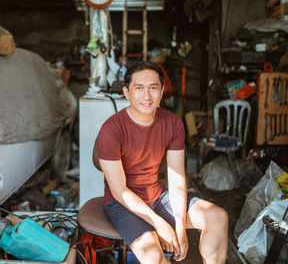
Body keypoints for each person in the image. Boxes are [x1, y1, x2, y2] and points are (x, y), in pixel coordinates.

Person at [96, 61, 228, 263]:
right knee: (153, 257)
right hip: (122, 204)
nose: (147, 96)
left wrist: (180, 228)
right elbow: (119, 191)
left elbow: (176, 179)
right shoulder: (111, 130)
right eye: (139, 88)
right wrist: (160, 224)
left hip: (157, 197)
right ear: (126, 92)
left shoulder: (173, 123)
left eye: (153, 88)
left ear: (162, 91)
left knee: (218, 218)